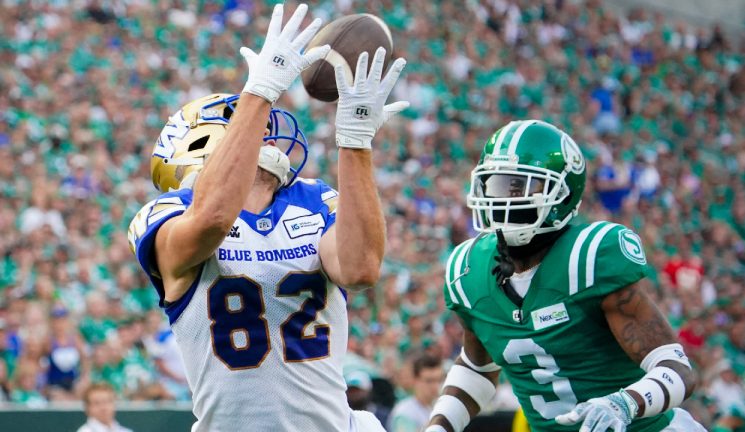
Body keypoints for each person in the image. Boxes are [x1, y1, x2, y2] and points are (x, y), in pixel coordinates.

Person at [126, 3, 408, 431]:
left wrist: (355, 141)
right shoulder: (169, 213)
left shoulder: (314, 199)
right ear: (204, 143)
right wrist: (260, 89)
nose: (266, 128)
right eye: (243, 123)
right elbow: (214, 219)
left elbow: (360, 268)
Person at [424, 120, 706, 432]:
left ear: (564, 193)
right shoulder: (468, 269)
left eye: (522, 187)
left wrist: (625, 404)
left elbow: (676, 369)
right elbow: (478, 367)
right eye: (498, 185)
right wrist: (440, 426)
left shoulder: (588, 259)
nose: (505, 200)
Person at [388, 354, 443, 432]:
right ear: (415, 380)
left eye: (439, 380)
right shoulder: (404, 413)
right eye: (429, 381)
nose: (435, 386)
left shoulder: (440, 406)